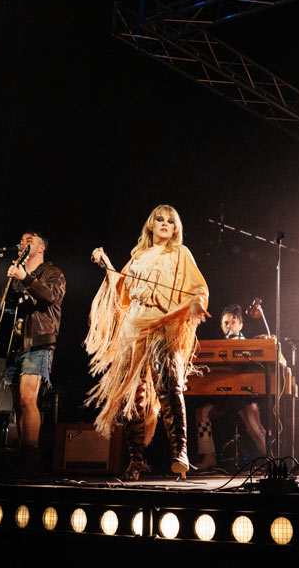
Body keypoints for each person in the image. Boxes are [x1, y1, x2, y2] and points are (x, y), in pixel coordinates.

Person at [85, 205, 209, 480]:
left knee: (168, 385)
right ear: (151, 225)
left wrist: (196, 304)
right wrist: (106, 264)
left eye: (170, 221)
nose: (165, 224)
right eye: (160, 220)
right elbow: (122, 288)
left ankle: (181, 451)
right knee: (133, 393)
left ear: (176, 229)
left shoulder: (180, 253)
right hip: (134, 324)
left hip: (163, 321)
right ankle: (136, 460)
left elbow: (198, 288)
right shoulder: (138, 257)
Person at [0, 229, 66, 478]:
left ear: (41, 248)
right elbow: (1, 298)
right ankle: (23, 453)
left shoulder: (53, 273)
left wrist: (27, 278)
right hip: (13, 343)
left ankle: (32, 457)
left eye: (29, 241)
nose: (23, 244)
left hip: (38, 341)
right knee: (17, 404)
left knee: (28, 398)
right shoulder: (14, 273)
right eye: (21, 240)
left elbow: (51, 297)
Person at [194, 304, 269, 470]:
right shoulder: (217, 347)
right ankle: (209, 457)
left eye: (233, 322)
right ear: (221, 326)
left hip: (244, 397)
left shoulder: (250, 344)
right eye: (226, 323)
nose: (229, 326)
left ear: (241, 325)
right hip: (225, 399)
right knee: (202, 413)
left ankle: (269, 460)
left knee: (254, 429)